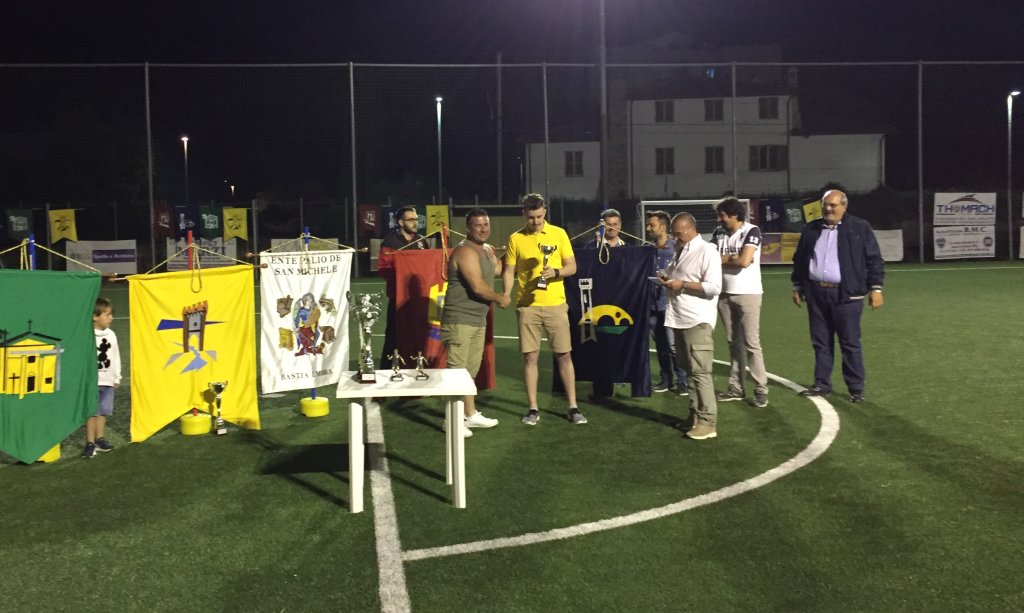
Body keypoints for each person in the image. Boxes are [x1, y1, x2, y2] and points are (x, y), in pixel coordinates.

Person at [791, 189, 884, 403]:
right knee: (820, 342)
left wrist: (876, 288)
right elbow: (800, 259)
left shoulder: (859, 227)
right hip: (816, 294)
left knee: (849, 343)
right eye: (825, 204)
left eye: (833, 205)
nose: (828, 208)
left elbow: (874, 259)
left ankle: (856, 388)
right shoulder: (811, 229)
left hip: (847, 295)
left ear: (844, 206)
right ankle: (822, 384)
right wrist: (797, 285)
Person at [501, 193, 585, 426]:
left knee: (564, 355)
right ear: (523, 214)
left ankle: (573, 406)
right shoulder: (515, 239)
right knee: (530, 357)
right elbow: (509, 270)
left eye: (539, 216)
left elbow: (572, 266)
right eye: (531, 217)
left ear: (545, 212)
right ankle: (532, 408)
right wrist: (506, 293)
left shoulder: (559, 234)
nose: (535, 221)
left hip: (556, 304)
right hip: (527, 307)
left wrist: (556, 272)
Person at [441, 208, 512, 437]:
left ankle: (469, 414)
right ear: (468, 228)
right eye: (478, 225)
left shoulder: (487, 250)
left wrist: (517, 251)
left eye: (486, 224)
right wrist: (501, 298)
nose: (483, 229)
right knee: (456, 372)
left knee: (469, 371)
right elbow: (478, 287)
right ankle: (451, 420)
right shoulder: (465, 251)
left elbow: (498, 268)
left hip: (477, 319)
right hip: (459, 319)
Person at [658, 212, 722, 440]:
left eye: (678, 234)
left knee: (701, 372)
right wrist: (666, 278)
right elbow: (677, 277)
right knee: (690, 371)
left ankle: (708, 422)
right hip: (679, 318)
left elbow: (714, 287)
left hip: (697, 319)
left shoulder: (707, 251)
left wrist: (682, 284)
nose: (674, 238)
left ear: (690, 229)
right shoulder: (680, 250)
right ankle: (695, 415)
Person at [711, 197, 769, 408]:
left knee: (751, 343)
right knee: (732, 343)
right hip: (724, 294)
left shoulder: (752, 230)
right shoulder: (719, 233)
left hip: (748, 294)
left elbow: (744, 261)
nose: (720, 219)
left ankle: (761, 388)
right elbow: (710, 259)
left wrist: (724, 260)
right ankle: (736, 387)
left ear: (734, 214)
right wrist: (731, 258)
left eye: (723, 215)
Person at [378, 206, 427, 366]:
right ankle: (386, 370)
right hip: (398, 298)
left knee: (418, 334)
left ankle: (416, 366)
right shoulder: (390, 241)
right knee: (393, 336)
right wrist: (402, 281)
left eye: (416, 219)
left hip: (418, 298)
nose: (415, 223)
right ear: (401, 222)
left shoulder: (422, 241)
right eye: (411, 219)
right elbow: (384, 268)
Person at [645, 210, 687, 395]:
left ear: (662, 227)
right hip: (652, 304)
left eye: (651, 225)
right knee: (660, 344)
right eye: (648, 225)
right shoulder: (647, 249)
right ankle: (666, 379)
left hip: (670, 303)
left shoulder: (676, 249)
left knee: (674, 345)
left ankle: (682, 381)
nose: (648, 228)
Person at [84, 297, 121, 458]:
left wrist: (117, 377)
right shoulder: (88, 335)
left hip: (108, 380)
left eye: (111, 314)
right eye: (107, 315)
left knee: (103, 411)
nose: (111, 318)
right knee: (92, 412)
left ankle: (100, 439)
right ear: (95, 317)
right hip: (93, 381)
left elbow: (116, 356)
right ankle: (90, 442)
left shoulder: (111, 335)